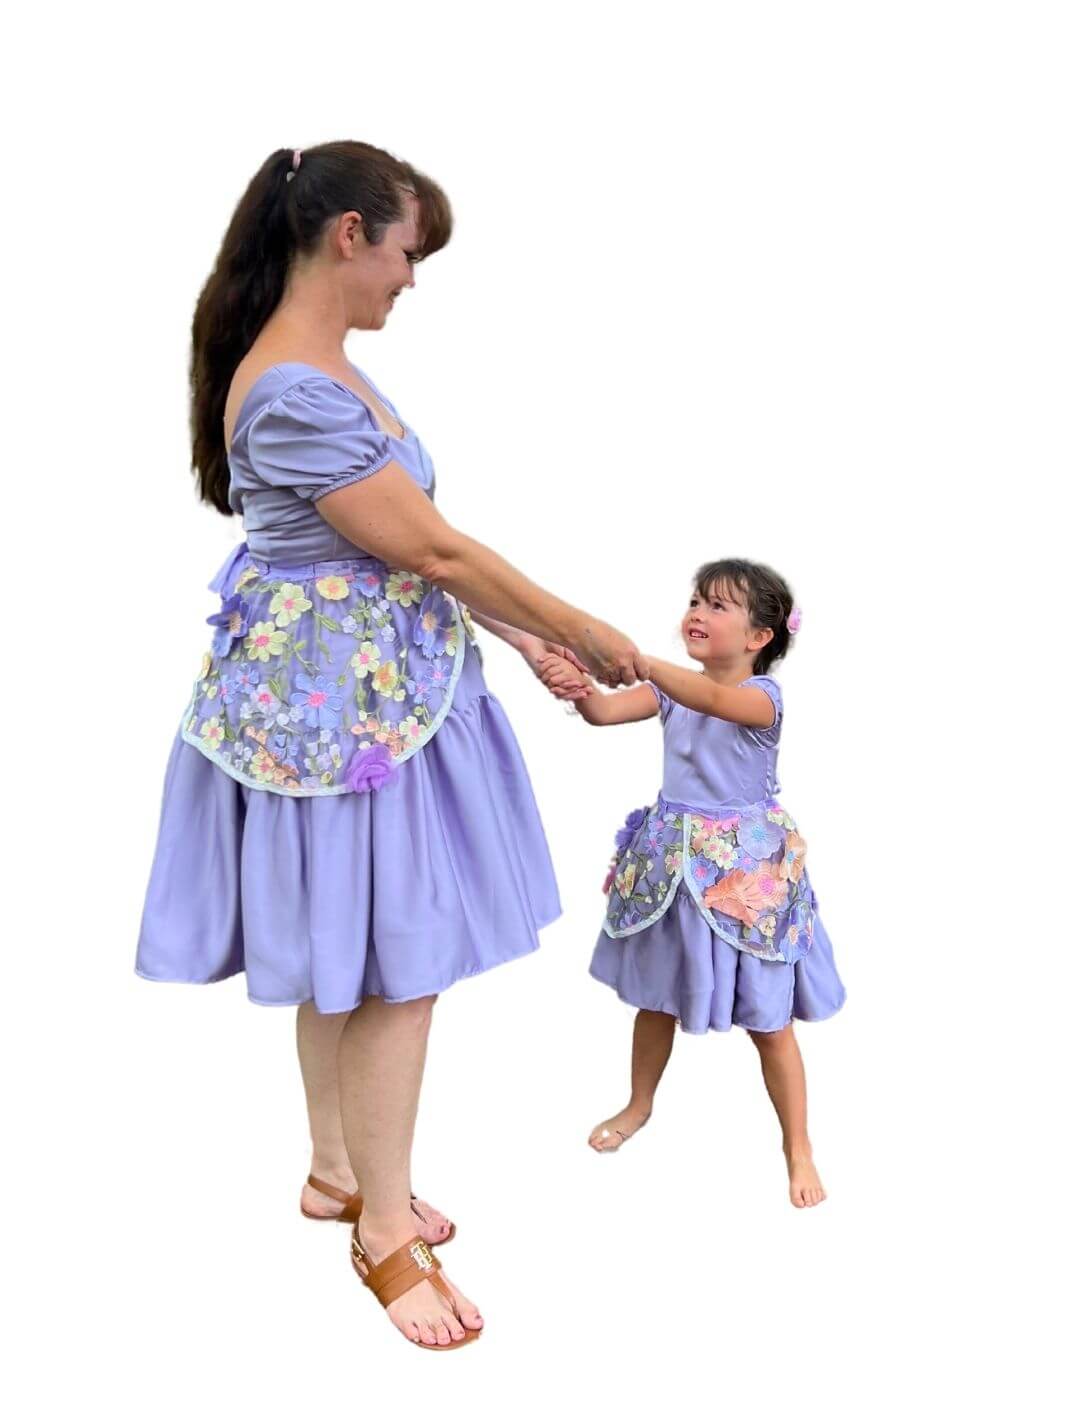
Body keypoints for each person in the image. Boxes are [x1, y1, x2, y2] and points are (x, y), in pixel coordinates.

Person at [135, 140, 640, 1351]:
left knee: (350, 950)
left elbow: (409, 544)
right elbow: (433, 549)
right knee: (395, 968)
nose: (413, 279)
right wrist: (575, 621)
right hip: (340, 718)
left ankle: (336, 1169)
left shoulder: (327, 373)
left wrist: (522, 638)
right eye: (409, 252)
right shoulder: (294, 393)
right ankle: (382, 1232)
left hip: (368, 692)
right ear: (350, 235)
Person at [536, 558, 846, 1208]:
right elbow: (602, 713)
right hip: (673, 868)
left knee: (770, 1022)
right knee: (655, 1000)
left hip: (745, 880)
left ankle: (798, 1145)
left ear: (759, 637)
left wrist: (639, 662)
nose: (697, 614)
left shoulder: (761, 697)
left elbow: (714, 701)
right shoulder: (672, 691)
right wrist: (573, 682)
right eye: (696, 601)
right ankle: (638, 1104)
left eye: (718, 606)